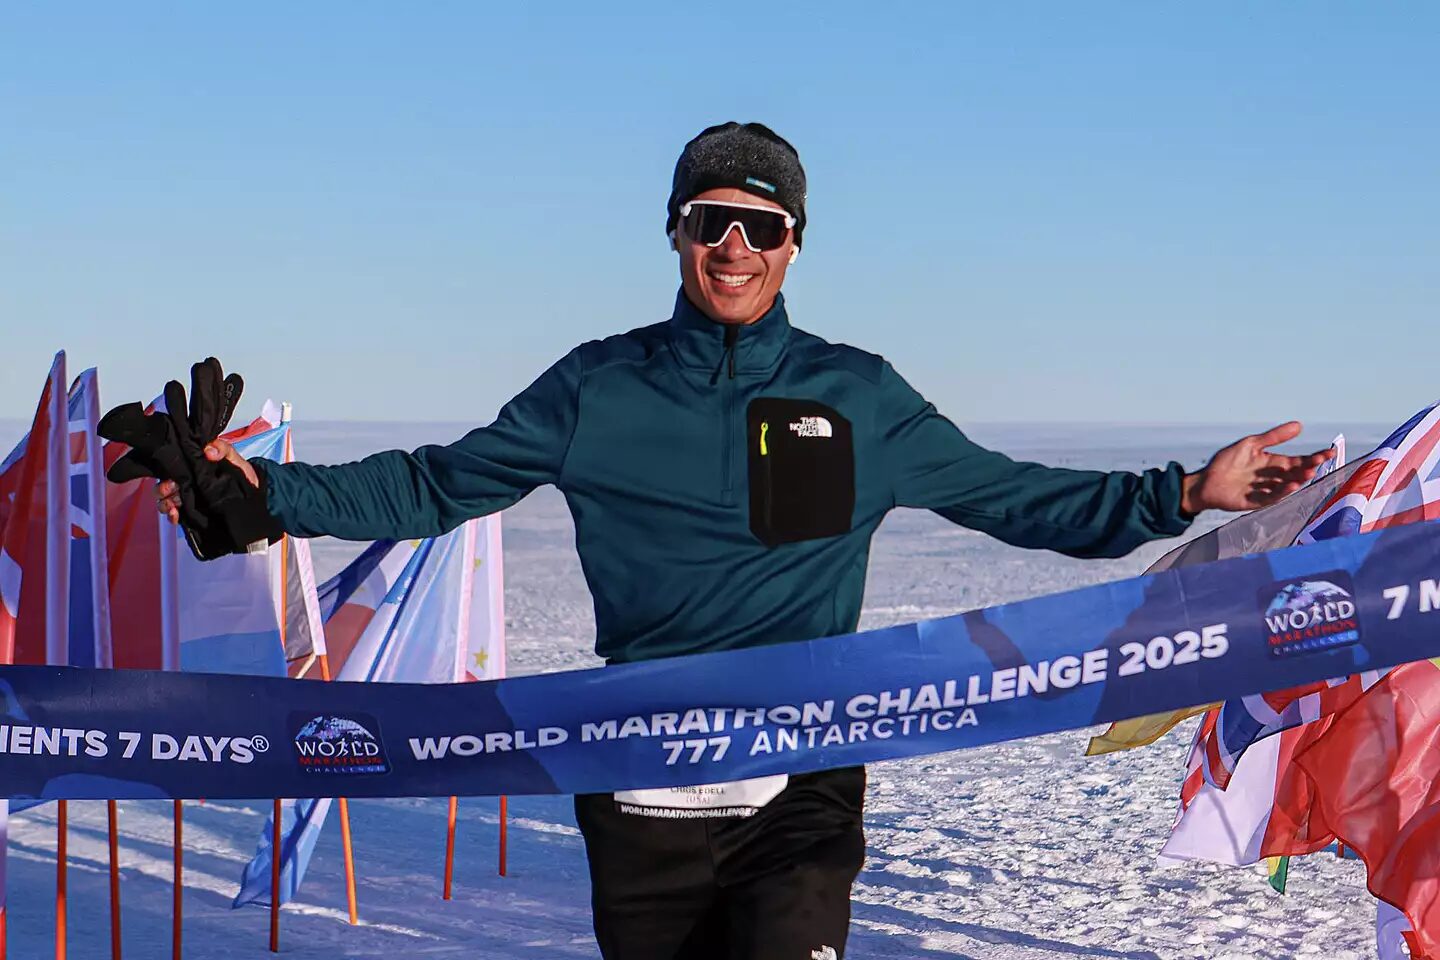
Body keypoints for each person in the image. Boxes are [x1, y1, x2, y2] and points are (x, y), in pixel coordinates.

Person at [141, 122, 1329, 960]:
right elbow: (434, 485)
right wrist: (257, 496)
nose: (736, 248)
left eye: (764, 226)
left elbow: (1013, 498)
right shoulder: (596, 387)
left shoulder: (858, 396)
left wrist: (1186, 490)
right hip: (637, 782)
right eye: (713, 221)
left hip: (802, 781)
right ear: (677, 232)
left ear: (794, 244)